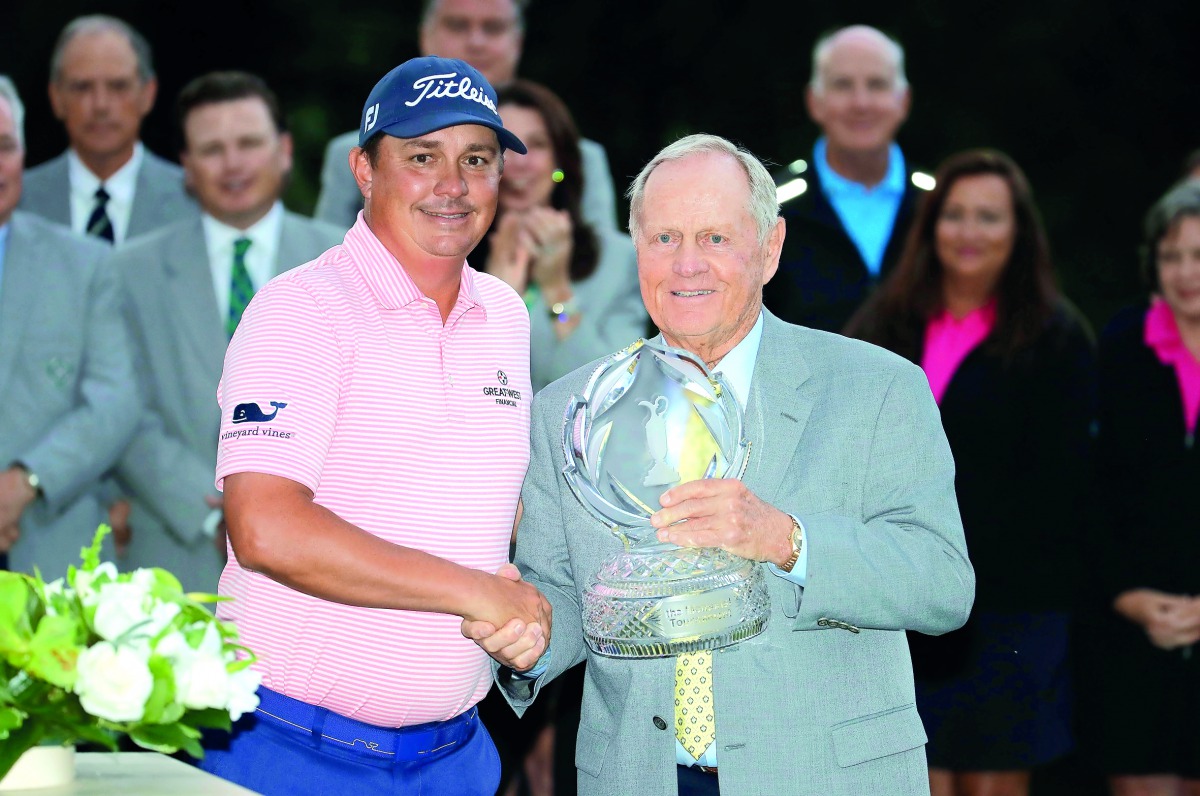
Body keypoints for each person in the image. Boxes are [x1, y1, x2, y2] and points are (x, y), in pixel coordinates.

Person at [467, 133, 975, 796]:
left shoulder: (876, 387)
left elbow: (941, 586)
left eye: (714, 238)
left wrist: (786, 539)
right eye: (664, 238)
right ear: (635, 248)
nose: (686, 266)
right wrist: (524, 635)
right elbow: (561, 593)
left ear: (770, 249)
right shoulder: (568, 411)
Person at [196, 56, 551, 796]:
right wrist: (476, 594)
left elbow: (482, 511)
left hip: (456, 759)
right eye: (422, 158)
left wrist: (516, 595)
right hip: (289, 752)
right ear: (364, 170)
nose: (452, 184)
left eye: (476, 160)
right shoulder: (302, 309)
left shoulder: (506, 317)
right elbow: (265, 528)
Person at [844, 149, 1097, 796]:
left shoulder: (1058, 339)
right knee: (914, 780)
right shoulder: (884, 323)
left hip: (1012, 609)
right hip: (900, 601)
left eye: (989, 216)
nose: (969, 231)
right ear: (930, 226)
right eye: (953, 215)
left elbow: (1062, 492)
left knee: (989, 784)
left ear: (1020, 231)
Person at [103, 71, 344, 594]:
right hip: (171, 554)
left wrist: (277, 511)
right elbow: (119, 406)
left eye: (249, 144)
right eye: (212, 149)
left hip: (323, 553)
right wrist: (215, 513)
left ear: (283, 150)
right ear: (186, 167)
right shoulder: (127, 272)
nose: (233, 163)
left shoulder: (348, 259)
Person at [1079, 179, 1200, 796]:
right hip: (1131, 624)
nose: (1184, 272)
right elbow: (1093, 490)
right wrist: (1125, 594)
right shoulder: (1122, 346)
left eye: (1199, 256)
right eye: (1171, 255)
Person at [314, 0, 619, 235]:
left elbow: (606, 277)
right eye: (458, 26)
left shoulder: (583, 158)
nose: (476, 42)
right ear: (425, 35)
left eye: (493, 28)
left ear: (518, 41)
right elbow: (329, 263)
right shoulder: (352, 151)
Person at [0, 75, 137, 577]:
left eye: (6, 147)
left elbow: (115, 399)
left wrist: (24, 482)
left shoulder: (86, 264)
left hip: (52, 550)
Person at [482, 78, 646, 391]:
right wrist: (499, 296)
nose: (520, 163)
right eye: (503, 147)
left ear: (560, 162)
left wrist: (557, 291)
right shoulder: (445, 252)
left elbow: (618, 388)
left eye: (538, 145)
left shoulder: (618, 260)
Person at [763, 24, 926, 333]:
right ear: (814, 101)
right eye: (842, 85)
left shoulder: (943, 206)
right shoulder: (767, 207)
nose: (861, 102)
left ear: (903, 101)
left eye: (877, 84)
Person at [18, 15, 197, 245]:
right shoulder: (17, 201)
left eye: (118, 86)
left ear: (148, 94)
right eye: (82, 87)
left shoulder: (195, 200)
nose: (100, 105)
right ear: (56, 98)